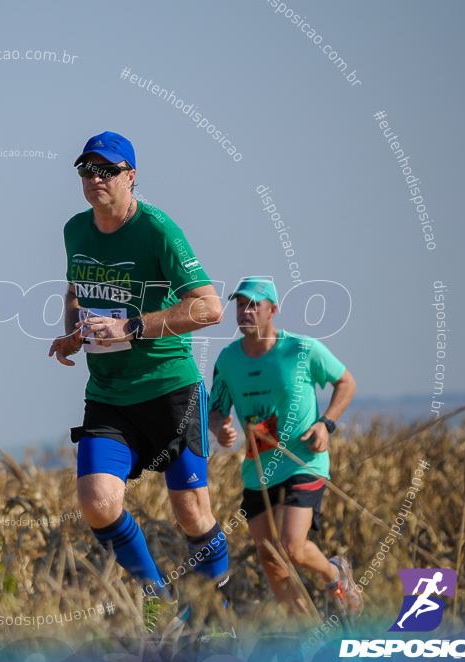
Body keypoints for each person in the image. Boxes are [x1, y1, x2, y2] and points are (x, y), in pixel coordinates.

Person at [48, 131, 228, 629]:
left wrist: (130, 326)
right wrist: (74, 334)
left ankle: (219, 612)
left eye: (106, 169)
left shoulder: (158, 230)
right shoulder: (74, 230)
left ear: (131, 176)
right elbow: (74, 288)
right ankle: (160, 604)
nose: (94, 178)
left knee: (192, 514)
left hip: (170, 388)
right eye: (86, 169)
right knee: (97, 502)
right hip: (108, 394)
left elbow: (210, 308)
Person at [207, 277, 361, 618]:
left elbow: (345, 382)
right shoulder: (228, 359)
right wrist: (221, 429)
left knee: (291, 547)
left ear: (272, 310)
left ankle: (335, 574)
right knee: (270, 559)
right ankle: (308, 631)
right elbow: (215, 409)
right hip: (258, 471)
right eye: (239, 305)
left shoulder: (302, 349)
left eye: (253, 305)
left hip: (302, 462)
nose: (244, 311)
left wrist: (327, 423)